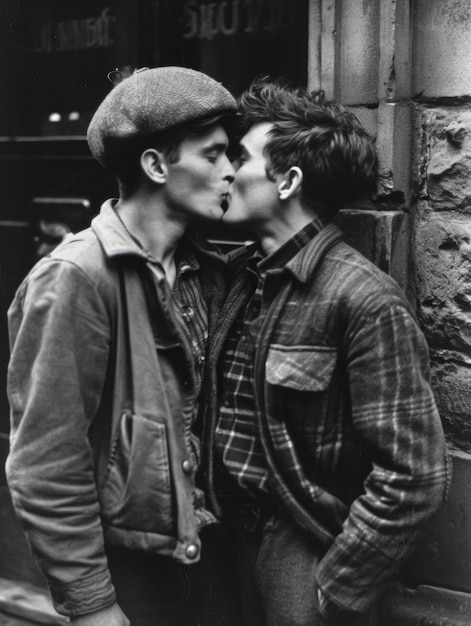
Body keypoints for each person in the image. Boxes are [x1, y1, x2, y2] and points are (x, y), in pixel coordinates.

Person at [202, 79, 450, 625]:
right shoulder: (241, 276)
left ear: (288, 180)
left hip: (300, 546)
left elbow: (416, 473)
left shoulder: (363, 299)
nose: (225, 171)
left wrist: (335, 589)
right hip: (222, 539)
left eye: (241, 157)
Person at [6, 66, 240, 626]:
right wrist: (93, 603)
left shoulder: (204, 270)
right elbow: (46, 463)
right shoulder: (77, 277)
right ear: (156, 165)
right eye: (212, 156)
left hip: (207, 562)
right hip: (132, 578)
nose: (232, 171)